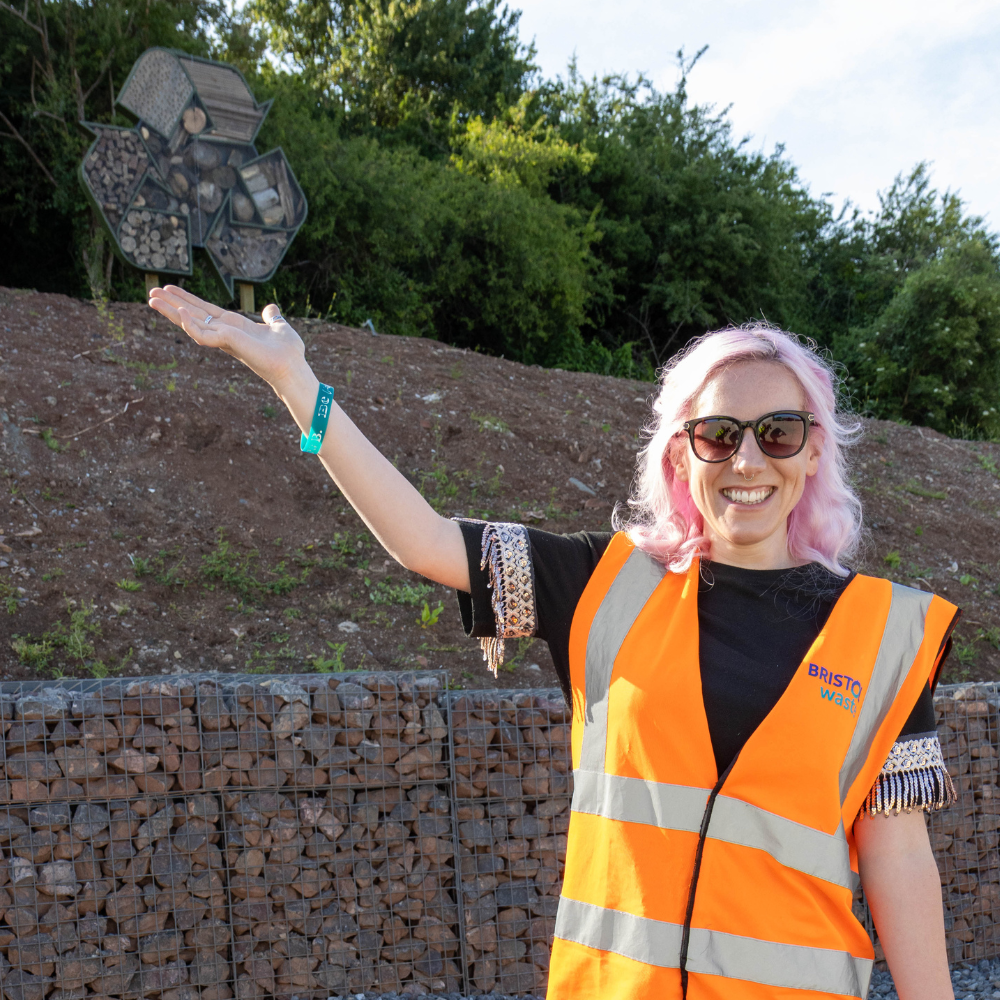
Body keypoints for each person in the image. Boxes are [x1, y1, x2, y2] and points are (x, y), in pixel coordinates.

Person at [148, 286, 958, 1000]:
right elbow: (423, 539)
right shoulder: (603, 587)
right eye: (718, 434)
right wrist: (298, 383)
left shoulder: (885, 632)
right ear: (682, 453)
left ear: (814, 449)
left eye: (778, 432)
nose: (747, 459)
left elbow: (897, 860)